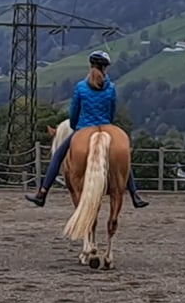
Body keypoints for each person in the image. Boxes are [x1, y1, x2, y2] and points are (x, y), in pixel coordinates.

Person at [24, 50, 149, 209]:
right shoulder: (110, 88)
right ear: (105, 68)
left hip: (83, 127)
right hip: (105, 126)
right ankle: (134, 195)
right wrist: (105, 126)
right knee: (124, 162)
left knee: (58, 155)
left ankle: (42, 193)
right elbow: (111, 113)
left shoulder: (81, 87)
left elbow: (74, 112)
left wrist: (76, 127)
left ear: (91, 66)